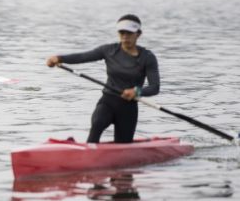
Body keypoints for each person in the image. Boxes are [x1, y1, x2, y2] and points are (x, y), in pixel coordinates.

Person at [45, 14, 159, 143]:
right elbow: (83, 57)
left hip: (128, 108)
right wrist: (59, 58)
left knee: (122, 145)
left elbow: (154, 87)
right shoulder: (108, 50)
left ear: (138, 34)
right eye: (121, 32)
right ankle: (88, 152)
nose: (125, 36)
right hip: (108, 101)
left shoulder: (147, 57)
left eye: (129, 33)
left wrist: (136, 91)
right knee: (97, 123)